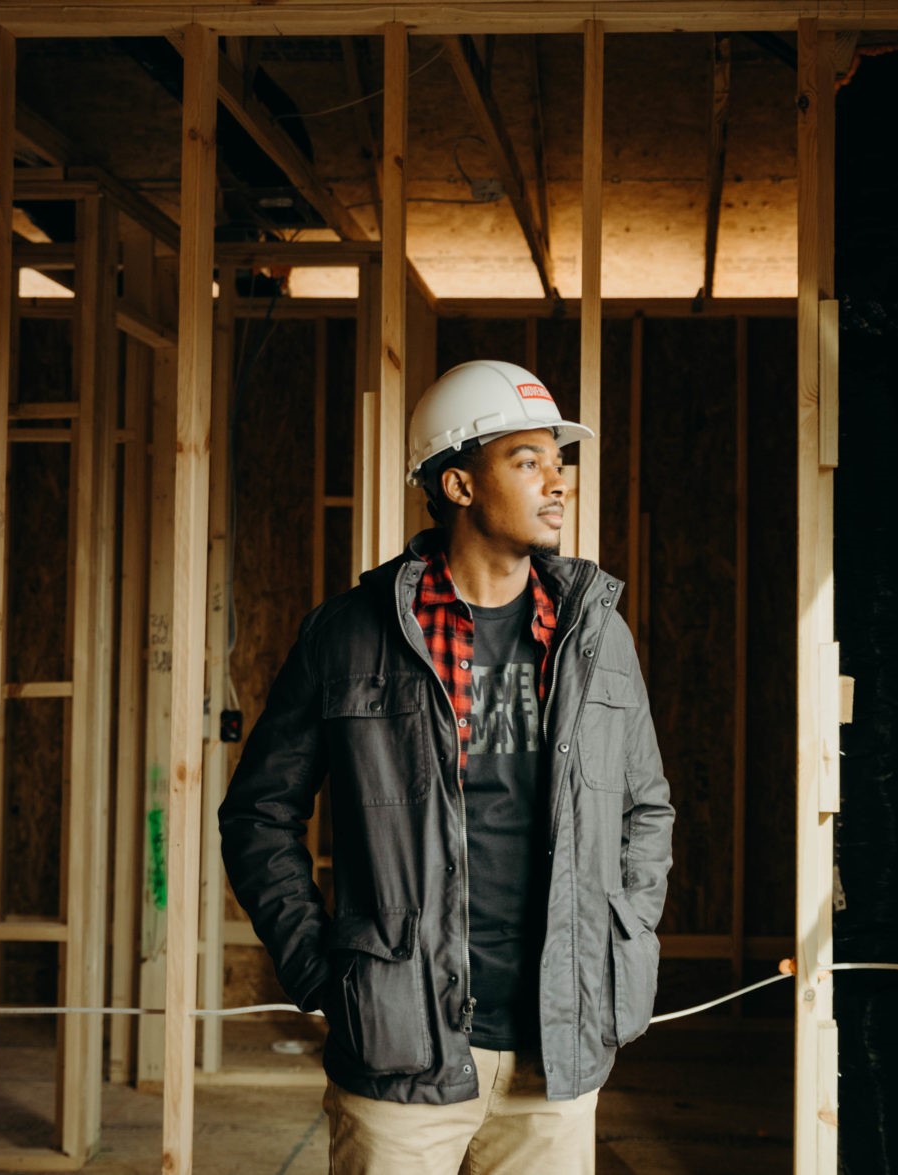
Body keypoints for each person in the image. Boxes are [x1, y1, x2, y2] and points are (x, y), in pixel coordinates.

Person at [220, 358, 674, 1174]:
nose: (555, 482)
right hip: (400, 1060)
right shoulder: (350, 635)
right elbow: (258, 812)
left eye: (558, 462)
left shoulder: (598, 636)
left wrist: (624, 940)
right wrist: (324, 971)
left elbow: (646, 809)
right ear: (460, 485)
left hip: (557, 1055)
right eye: (527, 460)